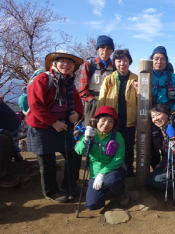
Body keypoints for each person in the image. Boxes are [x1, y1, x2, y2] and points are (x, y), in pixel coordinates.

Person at [26, 50, 84, 202]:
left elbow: (78, 106)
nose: (66, 65)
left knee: (74, 154)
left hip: (62, 127)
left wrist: (76, 114)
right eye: (62, 61)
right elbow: (35, 104)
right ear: (55, 64)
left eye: (70, 63)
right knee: (47, 162)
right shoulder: (42, 79)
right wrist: (53, 122)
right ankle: (51, 191)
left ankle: (69, 185)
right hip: (41, 127)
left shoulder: (70, 84)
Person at [74, 105, 128, 210]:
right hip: (95, 172)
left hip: (113, 170)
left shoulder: (117, 136)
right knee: (92, 205)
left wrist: (102, 173)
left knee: (111, 181)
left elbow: (119, 158)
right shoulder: (90, 133)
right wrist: (85, 139)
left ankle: (121, 192)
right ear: (97, 121)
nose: (106, 124)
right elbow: (79, 151)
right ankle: (105, 191)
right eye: (103, 120)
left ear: (114, 124)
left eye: (110, 122)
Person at [98, 49, 137, 176]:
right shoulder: (109, 79)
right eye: (119, 61)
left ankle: (129, 171)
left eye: (125, 60)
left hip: (129, 120)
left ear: (129, 62)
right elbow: (102, 100)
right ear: (114, 62)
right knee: (111, 145)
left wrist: (139, 90)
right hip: (112, 121)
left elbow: (143, 99)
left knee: (128, 147)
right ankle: (112, 171)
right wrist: (100, 119)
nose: (122, 63)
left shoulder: (136, 78)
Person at [150, 46, 175, 168]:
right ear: (152, 60)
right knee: (152, 141)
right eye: (156, 58)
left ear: (167, 61)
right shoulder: (146, 75)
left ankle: (170, 166)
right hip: (150, 113)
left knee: (169, 140)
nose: (159, 62)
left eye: (162, 59)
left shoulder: (172, 77)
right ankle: (155, 168)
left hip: (168, 112)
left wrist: (174, 110)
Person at [79, 35, 115, 126]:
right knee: (90, 129)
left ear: (112, 51)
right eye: (102, 47)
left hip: (109, 103)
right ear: (98, 49)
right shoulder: (89, 65)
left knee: (108, 128)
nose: (105, 50)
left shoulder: (115, 67)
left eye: (109, 48)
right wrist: (93, 101)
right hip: (92, 103)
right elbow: (82, 90)